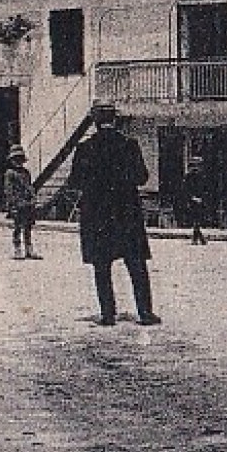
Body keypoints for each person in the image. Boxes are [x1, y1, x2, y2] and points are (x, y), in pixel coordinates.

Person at [69, 104, 159, 327]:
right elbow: (142, 177)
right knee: (136, 265)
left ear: (95, 122)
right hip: (126, 213)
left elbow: (74, 182)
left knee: (102, 266)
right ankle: (145, 313)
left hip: (97, 215)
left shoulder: (85, 148)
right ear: (115, 120)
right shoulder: (129, 145)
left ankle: (108, 314)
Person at [4, 145, 38, 260]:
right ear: (11, 160)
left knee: (28, 227)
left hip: (27, 203)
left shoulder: (26, 173)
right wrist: (12, 204)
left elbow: (30, 187)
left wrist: (33, 198)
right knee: (17, 227)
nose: (18, 162)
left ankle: (29, 249)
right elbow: (9, 191)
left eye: (20, 159)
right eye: (15, 159)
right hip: (17, 204)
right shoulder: (10, 173)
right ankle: (17, 249)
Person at [177, 155, 214, 246]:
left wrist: (203, 198)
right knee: (196, 219)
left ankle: (198, 238)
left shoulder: (204, 176)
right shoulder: (188, 177)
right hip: (191, 201)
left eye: (199, 165)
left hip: (201, 201)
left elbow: (207, 189)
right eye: (195, 165)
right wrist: (192, 198)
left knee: (198, 219)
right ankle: (199, 238)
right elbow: (185, 189)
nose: (197, 168)